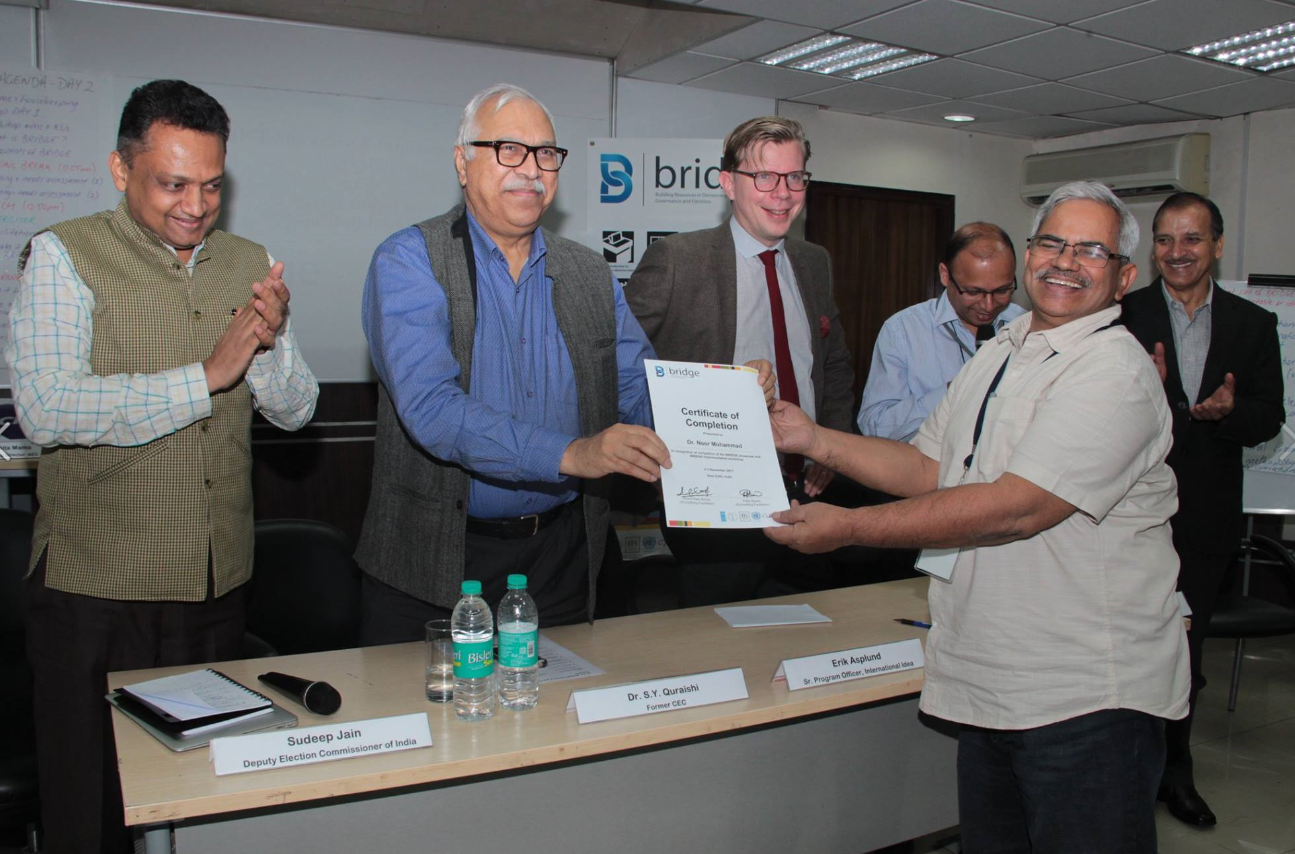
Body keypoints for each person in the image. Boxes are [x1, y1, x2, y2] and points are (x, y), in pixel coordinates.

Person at [765, 181, 1189, 853]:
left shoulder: (1112, 372)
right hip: (991, 679)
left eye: (1090, 250)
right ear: (1028, 254)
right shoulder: (1000, 349)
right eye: (1051, 241)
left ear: (1123, 275)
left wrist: (848, 528)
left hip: (1083, 697)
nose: (1063, 261)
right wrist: (813, 439)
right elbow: (929, 469)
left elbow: (1016, 508)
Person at [5, 79, 319, 854]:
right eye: (172, 182)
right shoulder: (62, 255)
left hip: (214, 590)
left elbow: (297, 409)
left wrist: (269, 345)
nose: (195, 204)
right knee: (95, 813)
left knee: (205, 809)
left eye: (211, 185)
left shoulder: (250, 262)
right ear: (121, 170)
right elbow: (46, 408)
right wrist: (203, 378)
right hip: (94, 591)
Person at [355, 83, 671, 641]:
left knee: (560, 719)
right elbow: (433, 410)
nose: (530, 170)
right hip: (436, 561)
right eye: (509, 149)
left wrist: (730, 398)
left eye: (546, 153)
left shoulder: (591, 275)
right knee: (434, 724)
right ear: (462, 162)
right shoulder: (409, 259)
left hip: (561, 560)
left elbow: (641, 393)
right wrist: (573, 454)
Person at [624, 115, 854, 606]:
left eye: (795, 178)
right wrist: (664, 464)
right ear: (729, 183)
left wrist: (831, 445)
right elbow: (621, 367)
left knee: (808, 630)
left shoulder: (815, 262)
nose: (783, 193)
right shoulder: (677, 260)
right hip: (715, 501)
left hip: (806, 491)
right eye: (764, 177)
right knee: (716, 640)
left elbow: (832, 364)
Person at [1121, 192, 1285, 828]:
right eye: (1164, 239)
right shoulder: (1121, 315)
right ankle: (1126, 763)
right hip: (1127, 512)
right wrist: (1153, 400)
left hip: (1208, 517)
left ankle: (1176, 768)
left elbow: (1267, 416)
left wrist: (1225, 414)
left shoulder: (1252, 324)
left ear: (1216, 245)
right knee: (1130, 642)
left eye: (1191, 239)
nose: (1177, 252)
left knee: (1186, 653)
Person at [857, 222, 1025, 441]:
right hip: (929, 471)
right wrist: (952, 391)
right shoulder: (903, 330)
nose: (988, 305)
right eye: (973, 291)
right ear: (945, 275)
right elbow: (875, 426)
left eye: (1002, 290)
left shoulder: (1027, 324)